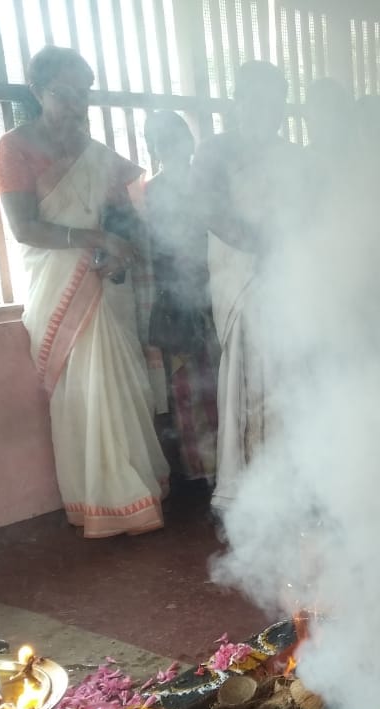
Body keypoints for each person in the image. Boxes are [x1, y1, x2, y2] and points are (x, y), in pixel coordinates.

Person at [0, 46, 169, 537]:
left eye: (82, 95)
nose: (74, 105)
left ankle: (137, 489)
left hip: (105, 283)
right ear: (37, 92)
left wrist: (121, 247)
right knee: (85, 394)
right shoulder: (14, 148)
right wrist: (92, 239)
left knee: (122, 386)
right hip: (57, 286)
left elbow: (130, 210)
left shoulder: (94, 152)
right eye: (62, 95)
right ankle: (103, 502)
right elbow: (25, 228)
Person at [192, 61, 302, 512]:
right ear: (238, 101)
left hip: (290, 277)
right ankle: (248, 489)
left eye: (275, 102)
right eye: (256, 99)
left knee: (288, 377)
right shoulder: (215, 153)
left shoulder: (294, 156)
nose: (266, 110)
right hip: (240, 276)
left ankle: (291, 480)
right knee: (248, 374)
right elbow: (211, 213)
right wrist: (266, 245)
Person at [143, 111, 219, 486]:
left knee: (219, 383)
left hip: (214, 290)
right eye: (163, 141)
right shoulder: (156, 191)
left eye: (175, 138)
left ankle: (224, 468)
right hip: (182, 298)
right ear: (154, 149)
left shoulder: (205, 183)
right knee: (191, 389)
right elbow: (161, 251)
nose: (171, 148)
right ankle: (206, 471)